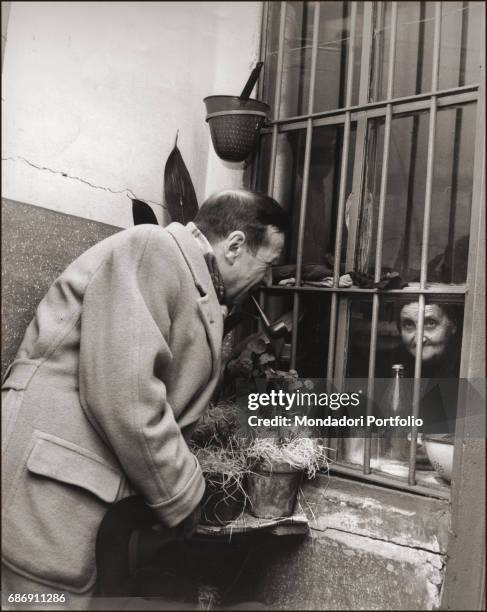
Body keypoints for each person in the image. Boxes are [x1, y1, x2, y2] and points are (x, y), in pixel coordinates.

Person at [1, 189, 288, 608]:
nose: (266, 280)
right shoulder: (153, 248)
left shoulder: (189, 276)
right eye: (268, 265)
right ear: (236, 245)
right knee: (36, 603)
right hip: (51, 490)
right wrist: (184, 494)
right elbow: (128, 397)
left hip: (70, 487)